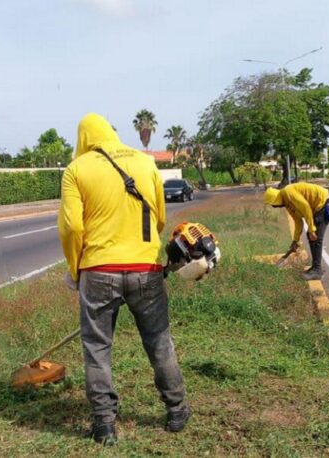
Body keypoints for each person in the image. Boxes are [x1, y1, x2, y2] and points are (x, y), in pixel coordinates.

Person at [58, 113, 190, 445]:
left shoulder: (77, 170)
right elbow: (159, 217)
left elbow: (73, 227)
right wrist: (141, 249)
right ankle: (177, 411)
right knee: (159, 341)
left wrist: (76, 269)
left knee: (97, 348)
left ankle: (104, 426)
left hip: (98, 271)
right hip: (145, 269)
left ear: (84, 138)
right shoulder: (145, 163)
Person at [263, 182, 329, 280]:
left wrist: (312, 229)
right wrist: (295, 241)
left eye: (273, 204)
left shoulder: (288, 192)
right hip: (319, 207)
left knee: (316, 238)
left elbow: (305, 207)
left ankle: (317, 270)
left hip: (324, 203)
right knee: (311, 237)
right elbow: (298, 221)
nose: (275, 207)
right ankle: (315, 268)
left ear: (276, 199)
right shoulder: (287, 203)